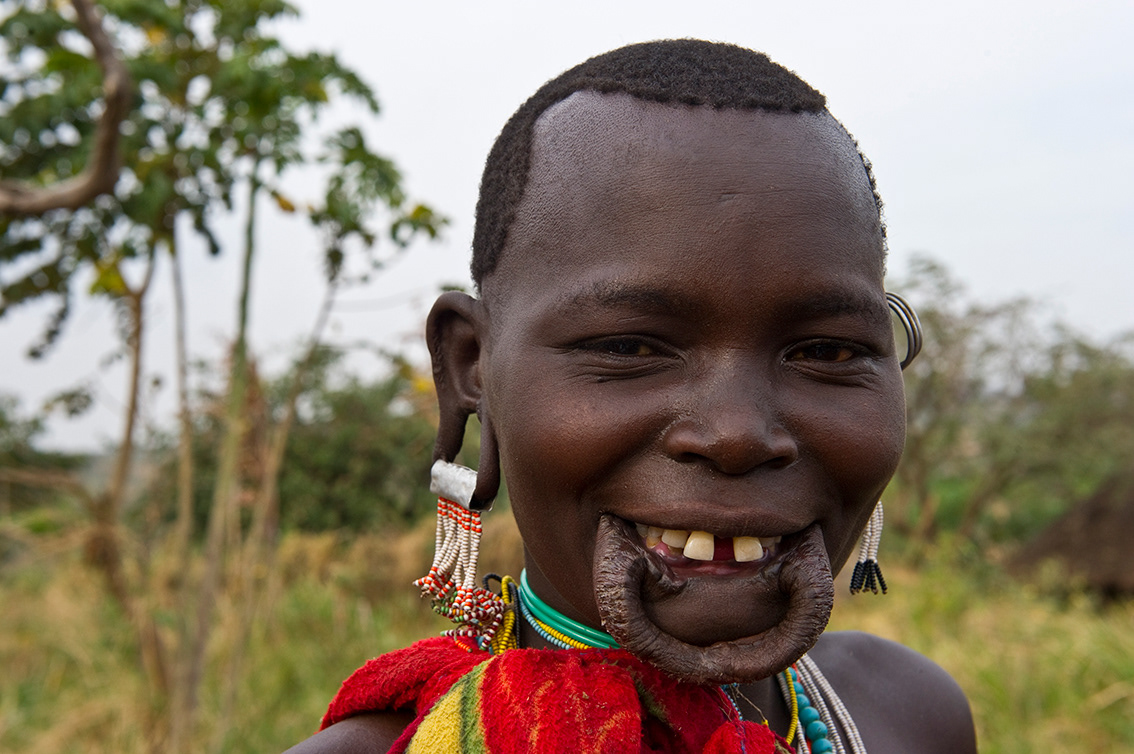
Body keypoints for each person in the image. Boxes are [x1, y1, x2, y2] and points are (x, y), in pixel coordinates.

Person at [287, 39, 977, 753]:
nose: (737, 434)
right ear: (470, 366)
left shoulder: (908, 717)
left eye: (826, 352)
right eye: (628, 349)